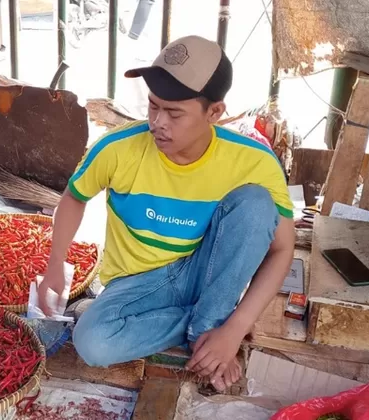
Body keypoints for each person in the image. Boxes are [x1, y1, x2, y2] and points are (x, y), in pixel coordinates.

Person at [37, 36, 295, 392]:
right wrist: (55, 263)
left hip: (203, 269)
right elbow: (73, 198)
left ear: (214, 112)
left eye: (174, 113)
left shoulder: (253, 161)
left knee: (256, 204)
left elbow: (283, 249)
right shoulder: (117, 148)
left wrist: (235, 328)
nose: (158, 122)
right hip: (135, 284)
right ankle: (206, 335)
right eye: (153, 106)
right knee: (92, 343)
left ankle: (213, 331)